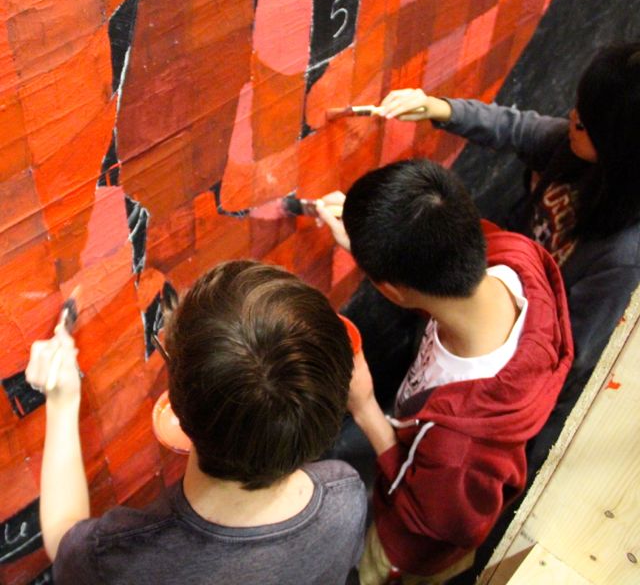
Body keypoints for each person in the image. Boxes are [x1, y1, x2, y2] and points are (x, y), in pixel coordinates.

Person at [376, 42, 640, 479]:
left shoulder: (623, 255)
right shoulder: (573, 148)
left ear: (621, 146)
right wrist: (438, 108)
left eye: (585, 121)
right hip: (490, 298)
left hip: (509, 359)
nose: (571, 118)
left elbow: (571, 353)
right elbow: (515, 128)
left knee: (442, 448)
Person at [26, 260, 366, 585]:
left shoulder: (117, 558)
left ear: (175, 403)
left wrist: (61, 403)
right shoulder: (345, 496)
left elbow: (64, 542)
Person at [316, 160, 573, 584]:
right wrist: (372, 243)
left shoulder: (461, 449)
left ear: (392, 291)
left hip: (411, 549)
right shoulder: (514, 257)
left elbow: (428, 518)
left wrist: (364, 408)